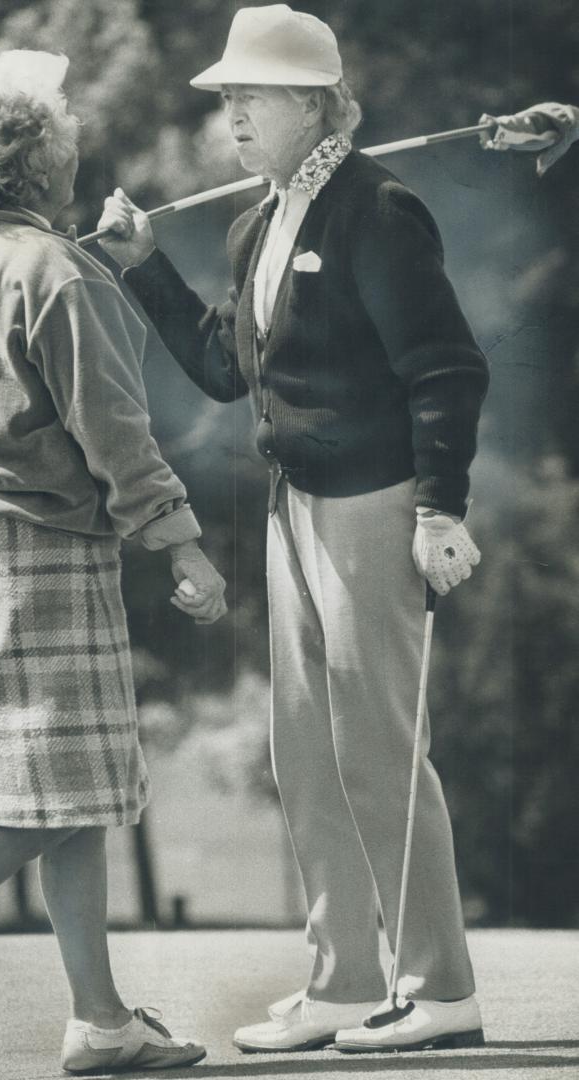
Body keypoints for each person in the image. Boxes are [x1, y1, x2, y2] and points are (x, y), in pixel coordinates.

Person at [97, 3, 489, 1056]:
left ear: (315, 105)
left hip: (376, 505)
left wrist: (439, 506)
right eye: (226, 96)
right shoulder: (257, 221)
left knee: (377, 748)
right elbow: (227, 370)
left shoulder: (378, 209)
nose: (229, 113)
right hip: (293, 507)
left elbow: (447, 368)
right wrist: (143, 267)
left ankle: (439, 986)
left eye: (250, 94)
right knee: (307, 753)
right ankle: (341, 979)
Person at [0, 49, 225, 1080]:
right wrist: (184, 545)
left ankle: (100, 1021)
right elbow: (117, 431)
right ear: (44, 162)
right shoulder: (55, 271)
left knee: (65, 797)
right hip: (46, 555)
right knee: (47, 803)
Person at [479, 102, 579, 175]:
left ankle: (498, 138)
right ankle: (499, 137)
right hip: (541, 123)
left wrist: (545, 161)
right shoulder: (567, 120)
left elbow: (564, 142)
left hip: (544, 124)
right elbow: (564, 142)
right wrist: (545, 161)